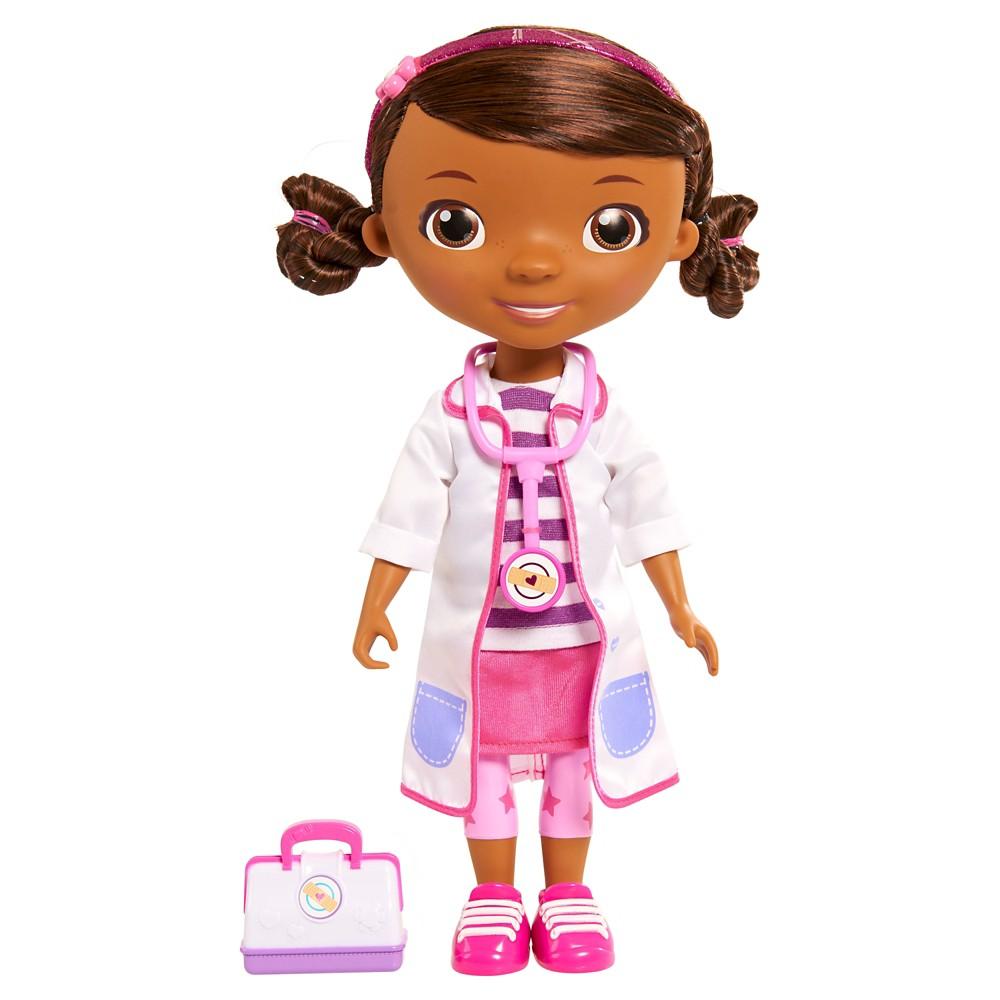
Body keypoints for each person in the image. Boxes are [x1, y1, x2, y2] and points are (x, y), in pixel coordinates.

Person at [274, 24, 758, 975]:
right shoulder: (451, 414)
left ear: (677, 238)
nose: (534, 264)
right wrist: (376, 603)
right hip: (484, 643)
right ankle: (494, 897)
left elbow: (646, 505)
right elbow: (408, 516)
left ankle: (567, 895)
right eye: (456, 223)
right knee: (485, 773)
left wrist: (680, 606)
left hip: (580, 637)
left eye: (609, 227)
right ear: (384, 231)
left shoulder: (601, 411)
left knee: (575, 770)